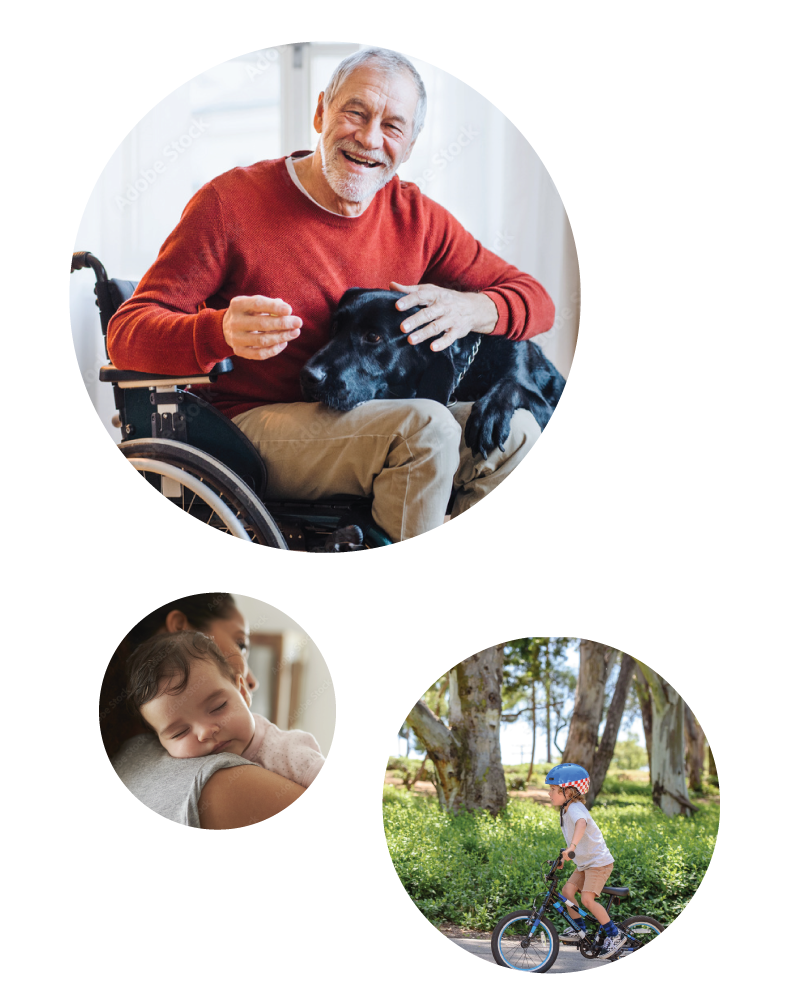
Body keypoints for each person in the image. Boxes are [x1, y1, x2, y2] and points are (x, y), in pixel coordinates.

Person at [106, 48, 556, 553]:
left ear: (409, 145)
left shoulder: (417, 218)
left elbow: (537, 301)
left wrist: (469, 308)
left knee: (517, 432)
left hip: (365, 416)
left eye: (392, 126)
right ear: (321, 112)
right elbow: (126, 332)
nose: (369, 138)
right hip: (251, 427)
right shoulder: (230, 203)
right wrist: (217, 331)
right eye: (355, 112)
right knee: (427, 425)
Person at [118, 629, 326, 789]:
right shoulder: (170, 775)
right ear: (159, 741)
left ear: (243, 692)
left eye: (218, 707)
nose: (206, 732)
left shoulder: (289, 751)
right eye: (180, 732)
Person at [545, 762, 628, 960]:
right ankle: (579, 929)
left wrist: (572, 847)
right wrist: (564, 854)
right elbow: (574, 835)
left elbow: (581, 824)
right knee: (567, 891)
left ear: (568, 791)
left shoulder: (575, 808)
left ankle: (615, 935)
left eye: (553, 789)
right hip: (585, 864)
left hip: (598, 863)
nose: (549, 793)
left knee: (587, 899)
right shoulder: (566, 809)